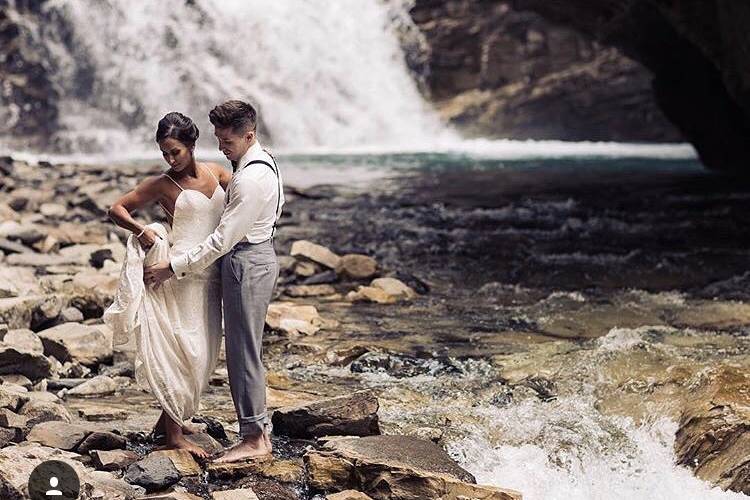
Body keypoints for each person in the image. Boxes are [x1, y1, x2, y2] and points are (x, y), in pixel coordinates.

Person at [144, 100, 284, 463]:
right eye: (219, 140)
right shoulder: (262, 160)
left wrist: (173, 266)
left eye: (227, 142)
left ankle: (254, 437)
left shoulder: (250, 179)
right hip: (259, 255)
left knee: (243, 354)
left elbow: (223, 240)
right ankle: (253, 430)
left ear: (248, 135)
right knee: (243, 350)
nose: (221, 148)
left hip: (246, 264)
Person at [105, 112, 231, 458]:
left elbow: (241, 206)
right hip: (175, 273)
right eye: (164, 152)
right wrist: (141, 230)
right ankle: (174, 436)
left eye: (175, 151)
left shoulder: (218, 173)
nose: (170, 159)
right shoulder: (162, 184)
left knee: (204, 350)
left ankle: (168, 420)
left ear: (192, 145)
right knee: (184, 349)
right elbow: (116, 209)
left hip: (210, 273)